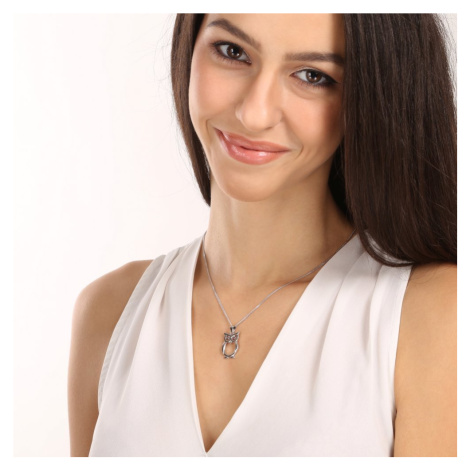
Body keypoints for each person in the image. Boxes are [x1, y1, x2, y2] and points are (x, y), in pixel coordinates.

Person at [68, 14, 457, 457]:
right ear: (189, 46)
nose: (254, 113)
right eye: (233, 52)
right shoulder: (108, 312)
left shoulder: (433, 316)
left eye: (312, 76)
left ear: (372, 97)